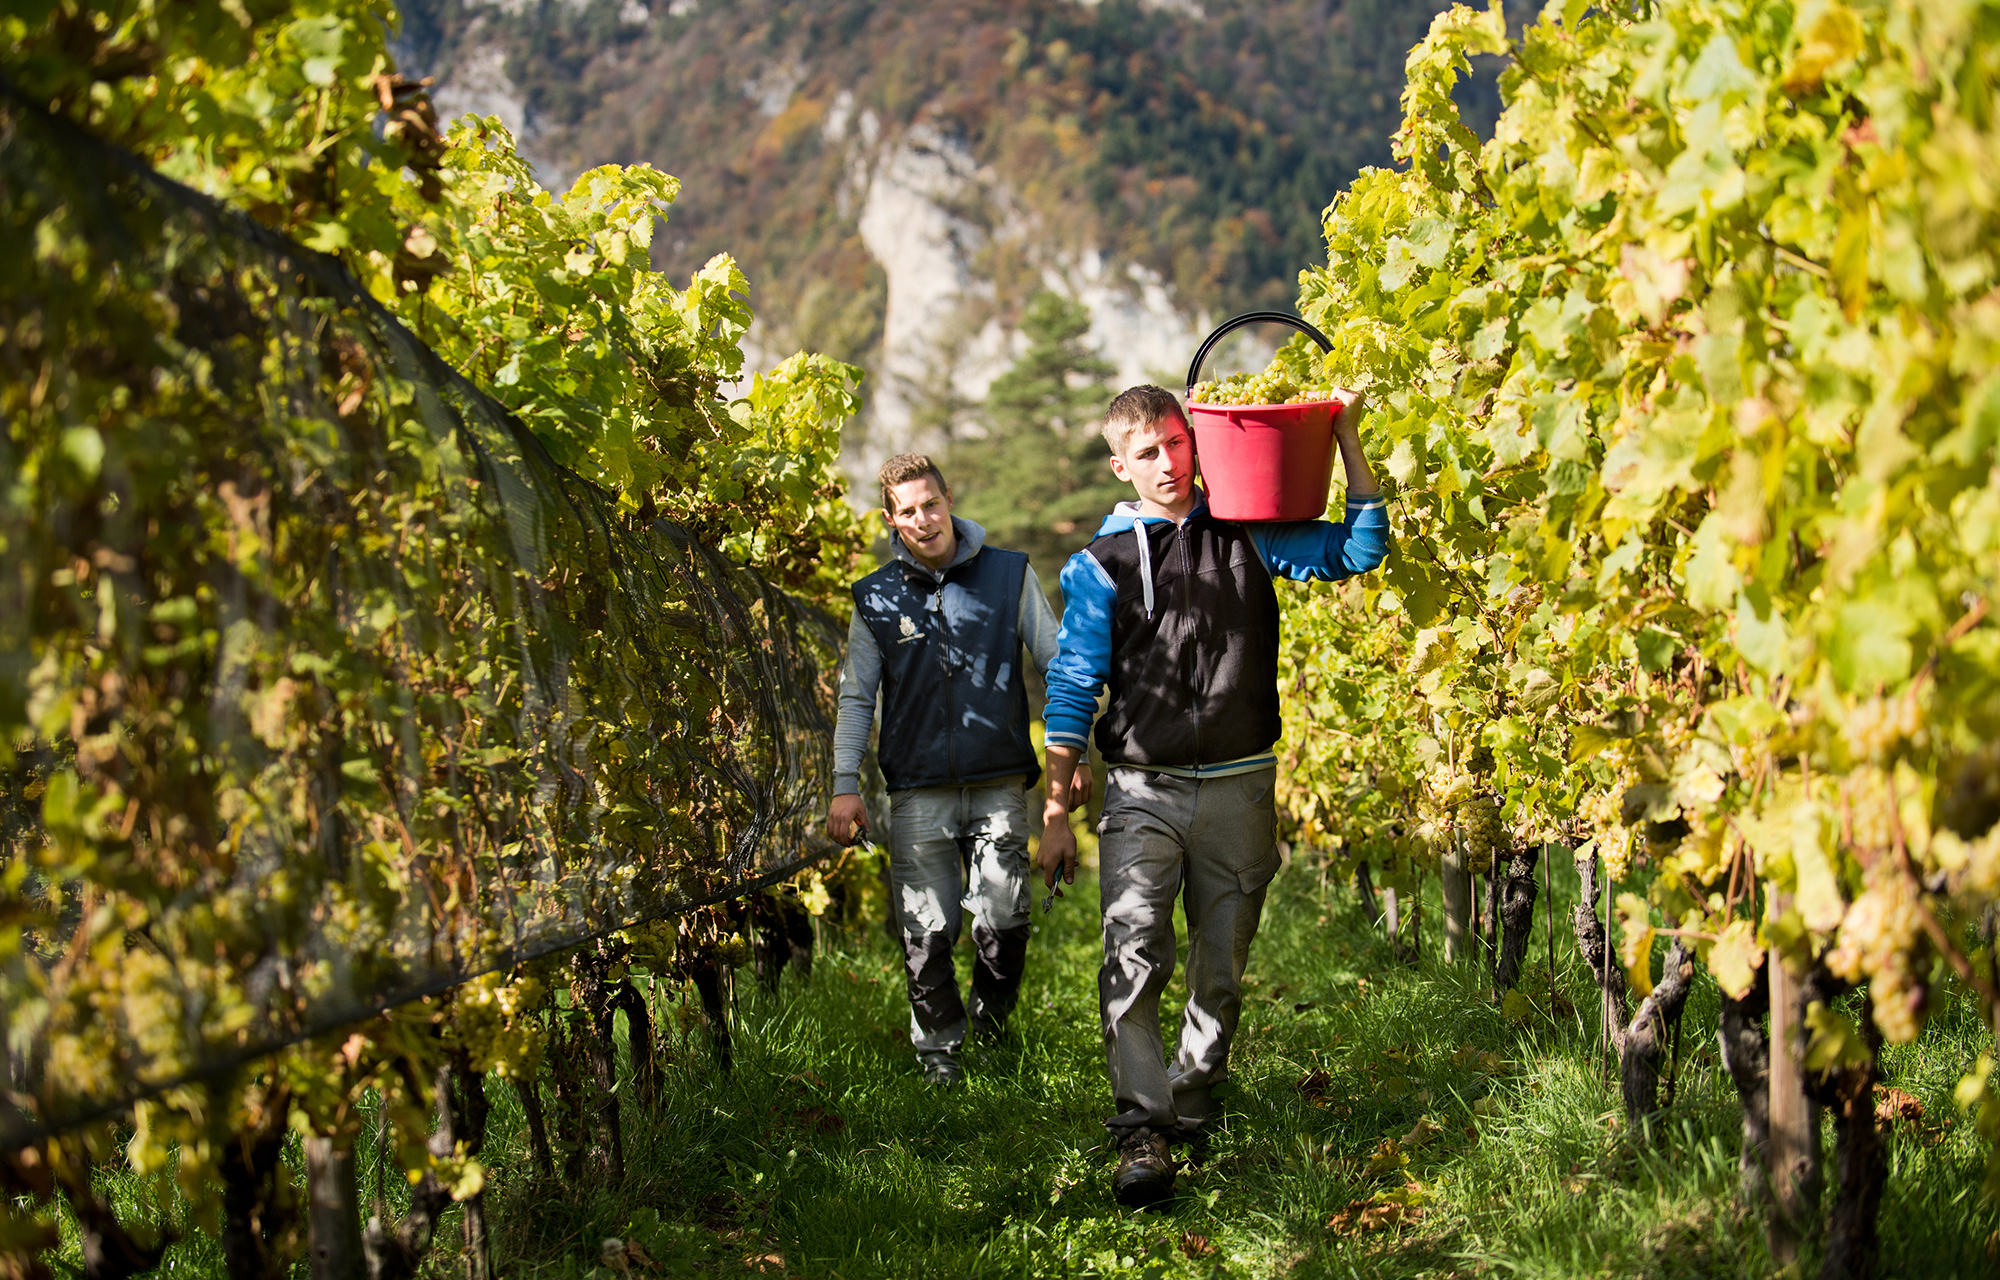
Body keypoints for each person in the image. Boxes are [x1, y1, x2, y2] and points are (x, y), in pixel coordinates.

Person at [1035, 385, 1387, 1206]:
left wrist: (1346, 440)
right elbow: (1072, 685)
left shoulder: (1250, 532)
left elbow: (1359, 549)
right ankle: (1142, 1130)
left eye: (1174, 443)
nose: (1165, 462)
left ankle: (1191, 1102)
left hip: (1239, 786)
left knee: (1219, 970)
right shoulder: (1100, 566)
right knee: (1132, 953)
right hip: (1140, 791)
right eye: (1146, 452)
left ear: (1195, 443)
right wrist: (1056, 811)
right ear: (1121, 466)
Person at [826, 453, 1090, 1086]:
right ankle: (939, 1056)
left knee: (1005, 917)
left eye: (932, 503)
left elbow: (1058, 664)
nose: (924, 519)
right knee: (926, 927)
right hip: (917, 791)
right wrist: (844, 787)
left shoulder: (1008, 575)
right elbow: (858, 695)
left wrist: (1073, 752)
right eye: (909, 511)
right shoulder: (875, 597)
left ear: (949, 499)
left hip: (1000, 781)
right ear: (892, 519)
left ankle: (992, 1033)